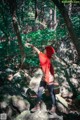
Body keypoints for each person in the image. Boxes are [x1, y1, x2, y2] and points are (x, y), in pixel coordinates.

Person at [25, 43, 58, 113]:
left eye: (45, 50)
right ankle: (37, 106)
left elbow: (38, 51)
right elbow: (51, 69)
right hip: (45, 77)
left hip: (49, 78)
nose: (44, 50)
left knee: (51, 93)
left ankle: (53, 107)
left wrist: (31, 45)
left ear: (47, 51)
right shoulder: (49, 58)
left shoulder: (45, 57)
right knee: (40, 91)